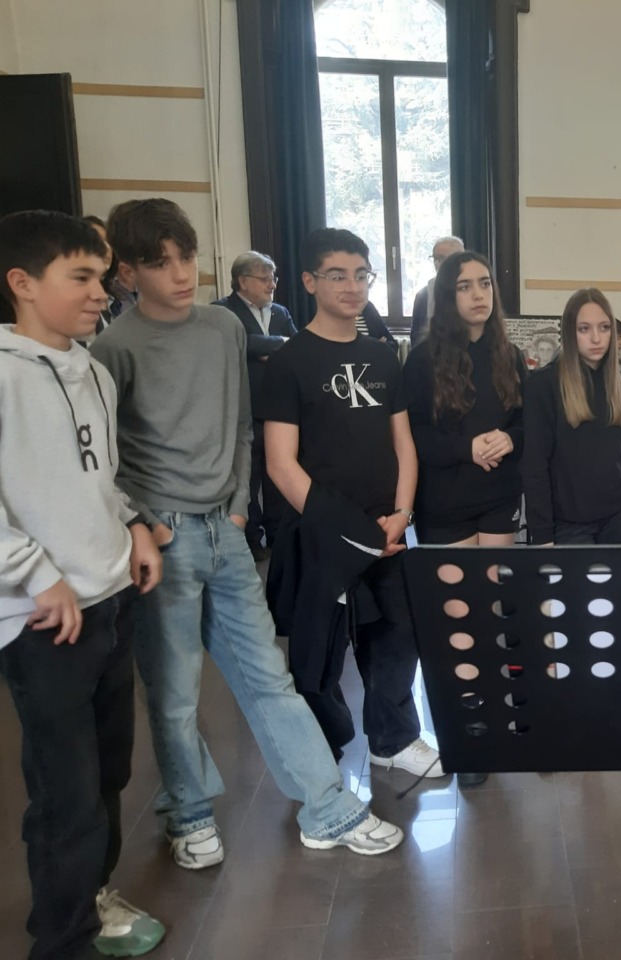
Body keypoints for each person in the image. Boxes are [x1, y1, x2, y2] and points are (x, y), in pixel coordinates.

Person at [91, 199, 403, 871]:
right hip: (163, 537)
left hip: (224, 530)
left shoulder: (222, 328)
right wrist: (142, 521)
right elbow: (108, 459)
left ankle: (327, 805)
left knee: (269, 677)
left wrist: (237, 507)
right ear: (128, 272)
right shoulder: (112, 348)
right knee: (175, 691)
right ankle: (189, 812)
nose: (180, 274)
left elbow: (240, 426)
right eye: (160, 264)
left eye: (186, 258)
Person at [0, 210, 166, 959]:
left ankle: (92, 898)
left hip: (110, 599)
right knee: (64, 793)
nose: (102, 291)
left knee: (108, 773)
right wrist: (38, 577)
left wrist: (134, 525)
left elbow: (99, 477)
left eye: (102, 277)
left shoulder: (93, 369)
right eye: (82, 277)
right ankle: (61, 940)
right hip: (45, 619)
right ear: (22, 283)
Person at [262, 227, 441, 778]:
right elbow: (281, 464)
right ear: (309, 281)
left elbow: (403, 444)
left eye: (361, 275)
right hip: (322, 532)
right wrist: (352, 533)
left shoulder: (383, 357)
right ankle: (324, 757)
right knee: (321, 653)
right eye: (337, 275)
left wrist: (402, 515)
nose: (352, 286)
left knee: (397, 635)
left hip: (388, 526)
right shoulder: (288, 362)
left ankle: (393, 739)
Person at [405, 250, 526, 545]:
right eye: (465, 286)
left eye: (485, 284)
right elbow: (414, 435)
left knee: (495, 576)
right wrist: (466, 448)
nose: (478, 294)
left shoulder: (511, 356)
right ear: (448, 295)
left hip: (500, 494)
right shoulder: (422, 359)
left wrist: (511, 439)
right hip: (445, 500)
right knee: (458, 578)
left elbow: (528, 422)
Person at [522, 288, 621, 545]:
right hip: (568, 523)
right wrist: (541, 533)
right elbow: (535, 465)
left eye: (604, 328)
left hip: (618, 516)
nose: (596, 338)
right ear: (569, 333)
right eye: (584, 329)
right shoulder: (544, 385)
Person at [213, 251, 297, 560]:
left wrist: (267, 347)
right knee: (246, 478)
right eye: (264, 279)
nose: (272, 285)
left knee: (277, 475)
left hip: (278, 409)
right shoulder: (222, 311)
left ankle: (277, 534)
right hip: (241, 408)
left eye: (273, 278)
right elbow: (239, 343)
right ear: (243, 281)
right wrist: (276, 344)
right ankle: (251, 538)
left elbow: (297, 344)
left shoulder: (280, 312)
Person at [409, 235, 464, 346]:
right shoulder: (423, 295)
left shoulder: (473, 291)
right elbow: (416, 336)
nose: (437, 263)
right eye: (435, 258)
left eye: (442, 258)